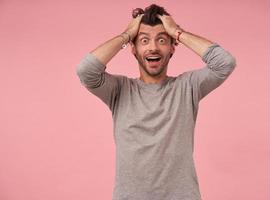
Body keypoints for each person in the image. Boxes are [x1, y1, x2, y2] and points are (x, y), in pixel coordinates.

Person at [76, 4, 236, 200]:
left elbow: (224, 63)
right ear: (134, 49)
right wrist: (126, 35)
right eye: (144, 40)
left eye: (162, 40)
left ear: (171, 49)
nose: (153, 47)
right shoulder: (119, 90)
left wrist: (177, 32)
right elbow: (86, 71)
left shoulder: (187, 87)